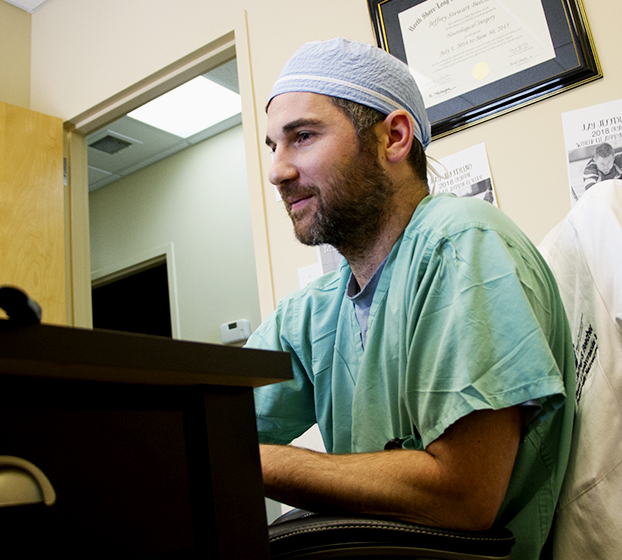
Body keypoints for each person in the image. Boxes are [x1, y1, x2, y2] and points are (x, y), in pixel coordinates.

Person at [245, 38, 575, 560]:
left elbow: (463, 496)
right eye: (272, 147)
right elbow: (204, 421)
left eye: (302, 137)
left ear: (394, 138)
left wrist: (255, 463)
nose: (277, 171)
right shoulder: (313, 314)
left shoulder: (463, 245)